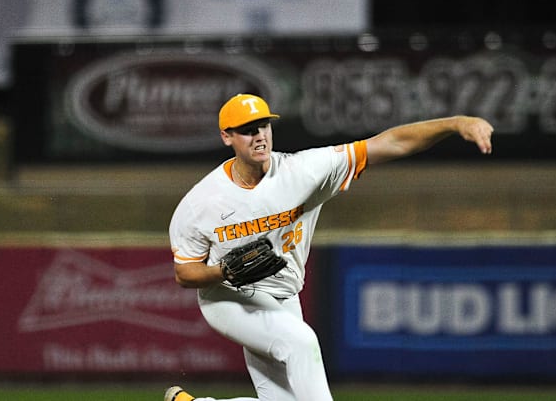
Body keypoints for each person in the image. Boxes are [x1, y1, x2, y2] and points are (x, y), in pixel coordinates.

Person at [166, 93, 494, 401]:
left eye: (264, 126)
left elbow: (389, 143)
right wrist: (221, 271)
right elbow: (184, 273)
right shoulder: (201, 203)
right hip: (229, 298)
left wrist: (454, 123)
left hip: (284, 297)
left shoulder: (305, 171)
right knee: (302, 342)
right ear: (227, 137)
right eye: (247, 131)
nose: (260, 136)